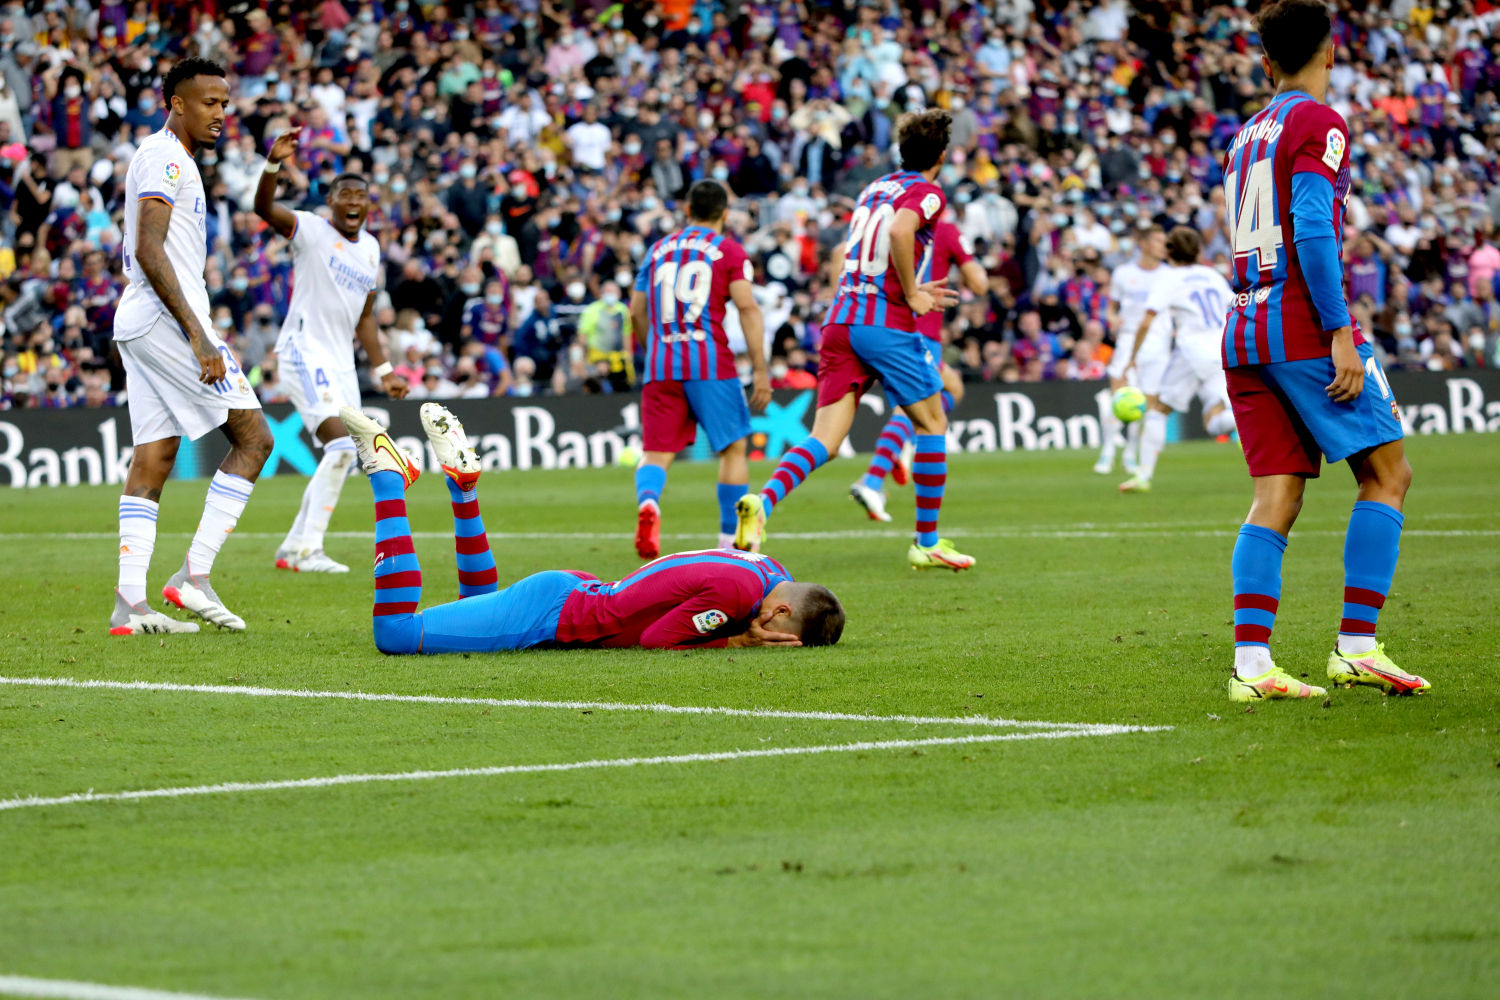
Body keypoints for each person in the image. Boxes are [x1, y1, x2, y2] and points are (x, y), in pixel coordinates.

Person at [1220, 0, 1428, 703]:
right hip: (1302, 324)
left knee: (1275, 496)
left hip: (1244, 325)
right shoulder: (1319, 121)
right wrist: (1339, 330)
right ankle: (1358, 647)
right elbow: (1311, 227)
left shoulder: (1245, 135)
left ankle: (1253, 667)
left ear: (1265, 61)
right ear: (1331, 52)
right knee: (1389, 474)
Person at [341, 403, 843, 652]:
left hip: (575, 589)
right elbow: (656, 640)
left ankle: (464, 488)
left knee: (478, 605)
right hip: (554, 614)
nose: (772, 637)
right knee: (395, 634)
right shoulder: (739, 598)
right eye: (782, 634)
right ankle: (389, 478)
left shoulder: (770, 570)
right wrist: (736, 642)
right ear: (781, 610)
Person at [733, 110, 968, 570]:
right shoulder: (929, 192)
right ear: (941, 156)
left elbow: (851, 251)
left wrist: (898, 287)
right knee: (932, 423)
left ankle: (763, 503)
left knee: (825, 439)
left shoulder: (874, 188)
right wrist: (912, 292)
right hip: (884, 323)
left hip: (842, 319)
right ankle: (927, 542)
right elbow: (900, 230)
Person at [109, 58, 273, 636]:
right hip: (166, 321)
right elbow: (149, 249)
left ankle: (130, 604)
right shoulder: (165, 157)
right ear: (177, 104)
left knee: (155, 456)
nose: (220, 113)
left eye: (225, 103)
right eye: (209, 102)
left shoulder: (176, 159)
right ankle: (194, 576)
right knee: (255, 438)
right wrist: (197, 333)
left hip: (141, 321)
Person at [253, 127, 409, 574]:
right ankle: (307, 550)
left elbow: (365, 316)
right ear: (331, 201)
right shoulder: (312, 230)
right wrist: (274, 163)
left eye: (361, 195)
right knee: (341, 447)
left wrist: (384, 369)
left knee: (345, 454)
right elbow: (263, 208)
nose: (354, 201)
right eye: (346, 194)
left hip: (341, 363)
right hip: (304, 351)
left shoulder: (371, 249)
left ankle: (294, 548)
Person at [627, 180, 771, 559]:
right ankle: (730, 544)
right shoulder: (729, 250)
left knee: (656, 452)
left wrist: (653, 350)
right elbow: (747, 307)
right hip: (709, 362)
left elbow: (636, 311)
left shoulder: (657, 250)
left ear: (688, 210)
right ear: (725, 213)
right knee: (733, 449)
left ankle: (649, 502)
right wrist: (760, 369)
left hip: (661, 364)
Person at [849, 218, 986, 523]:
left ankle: (902, 445)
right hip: (920, 330)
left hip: (881, 323)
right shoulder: (945, 231)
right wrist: (977, 268)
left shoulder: (887, 225)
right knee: (915, 410)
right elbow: (979, 284)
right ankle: (873, 480)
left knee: (952, 388)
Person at [1117, 227, 1238, 492]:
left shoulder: (1169, 278)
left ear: (1170, 251)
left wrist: (1132, 357)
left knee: (1158, 410)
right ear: (1197, 250)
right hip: (1221, 349)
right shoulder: (1211, 275)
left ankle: (1142, 476)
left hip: (1191, 350)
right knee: (1213, 422)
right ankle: (1239, 421)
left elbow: (1146, 321)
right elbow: (1236, 306)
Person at [1095, 225, 1169, 476]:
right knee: (1119, 392)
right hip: (1128, 339)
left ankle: (1130, 454)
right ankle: (1107, 451)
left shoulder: (1169, 275)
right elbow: (1111, 307)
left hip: (1158, 344)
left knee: (1144, 403)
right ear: (1144, 244)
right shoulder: (1123, 273)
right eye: (1158, 240)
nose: (1163, 246)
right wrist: (1112, 319)